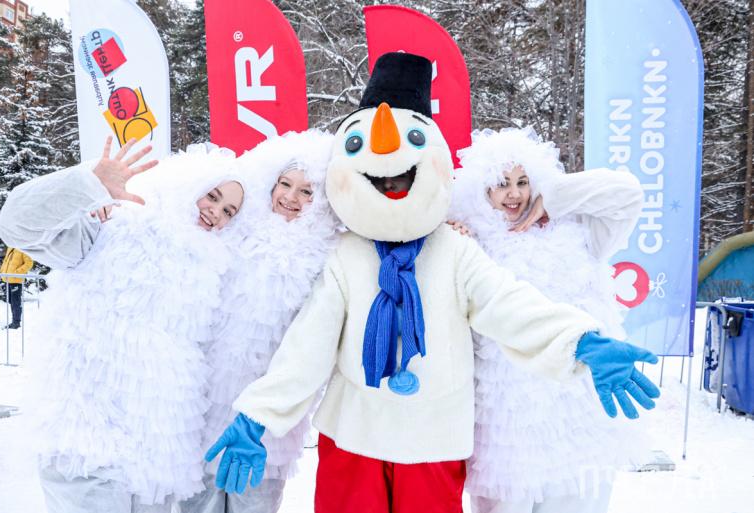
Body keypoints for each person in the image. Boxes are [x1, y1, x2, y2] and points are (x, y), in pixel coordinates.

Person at [205, 52, 660, 513]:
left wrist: (579, 341)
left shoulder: (455, 250)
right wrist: (258, 416)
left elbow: (510, 306)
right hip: (353, 439)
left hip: (433, 446)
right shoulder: (347, 255)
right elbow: (307, 348)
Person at [0, 137, 249, 513]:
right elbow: (17, 225)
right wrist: (88, 186)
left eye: (229, 211)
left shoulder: (210, 276)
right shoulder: (112, 227)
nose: (217, 212)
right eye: (211, 196)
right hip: (90, 449)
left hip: (154, 462)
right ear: (187, 185)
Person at [449, 126, 649, 513]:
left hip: (577, 409)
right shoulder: (471, 241)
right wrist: (453, 235)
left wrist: (553, 198)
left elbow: (628, 195)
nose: (514, 194)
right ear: (482, 189)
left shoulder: (580, 228)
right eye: (502, 183)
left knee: (578, 500)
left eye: (523, 182)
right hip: (509, 421)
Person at [182, 129, 341, 513]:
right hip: (206, 400)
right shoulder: (236, 228)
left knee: (254, 499)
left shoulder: (330, 250)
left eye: (306, 191)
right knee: (197, 501)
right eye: (285, 184)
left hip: (268, 411)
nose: (291, 197)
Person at [0, 246, 33, 329]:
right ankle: (14, 321)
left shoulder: (23, 247)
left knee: (15, 302)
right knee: (11, 301)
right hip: (8, 279)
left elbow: (29, 263)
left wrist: (17, 273)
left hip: (16, 280)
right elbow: (6, 260)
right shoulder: (11, 246)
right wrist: (2, 270)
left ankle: (16, 323)